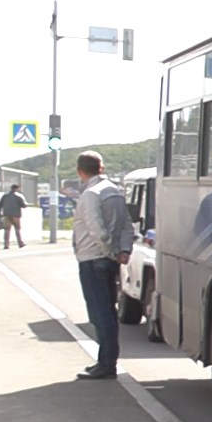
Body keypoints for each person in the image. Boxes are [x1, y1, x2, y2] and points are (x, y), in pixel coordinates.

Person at [72, 151, 136, 380]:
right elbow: (128, 226)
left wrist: (110, 252)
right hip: (109, 259)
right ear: (101, 167)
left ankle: (107, 365)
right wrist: (124, 250)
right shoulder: (114, 192)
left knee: (100, 314)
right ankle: (104, 360)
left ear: (80, 170)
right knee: (107, 311)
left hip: (93, 259)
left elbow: (96, 229)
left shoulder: (91, 195)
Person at [0, 183, 28, 248]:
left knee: (7, 230)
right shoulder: (19, 196)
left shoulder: (5, 196)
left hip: (6, 215)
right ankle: (20, 243)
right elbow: (24, 205)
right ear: (17, 188)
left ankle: (6, 245)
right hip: (16, 215)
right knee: (17, 229)